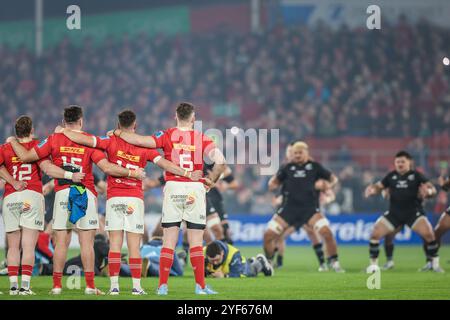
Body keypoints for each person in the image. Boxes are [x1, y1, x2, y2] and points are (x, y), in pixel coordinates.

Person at [58, 109, 204, 295]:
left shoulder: (109, 140)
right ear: (135, 125)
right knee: (134, 245)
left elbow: (86, 140)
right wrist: (187, 173)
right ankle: (136, 287)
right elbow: (165, 164)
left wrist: (63, 131)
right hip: (134, 198)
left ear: (118, 125)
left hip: (114, 198)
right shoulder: (145, 148)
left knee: (115, 245)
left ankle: (114, 287)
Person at [7, 105, 146, 295]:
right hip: (84, 192)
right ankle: (90, 286)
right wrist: (132, 172)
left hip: (63, 192)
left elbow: (25, 156)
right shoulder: (88, 142)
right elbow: (107, 168)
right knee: (86, 243)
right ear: (81, 121)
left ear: (64, 122)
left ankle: (56, 286)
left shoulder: (53, 139)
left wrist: (12, 141)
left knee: (61, 242)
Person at [111, 102, 226, 295]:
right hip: (194, 188)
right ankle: (200, 286)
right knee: (196, 241)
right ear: (193, 118)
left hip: (173, 187)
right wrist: (211, 180)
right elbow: (221, 161)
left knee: (169, 240)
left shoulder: (166, 135)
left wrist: (118, 133)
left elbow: (140, 141)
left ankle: (162, 286)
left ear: (176, 116)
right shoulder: (201, 138)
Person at [1, 116, 85, 295]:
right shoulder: (38, 146)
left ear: (15, 132)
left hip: (10, 197)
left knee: (13, 246)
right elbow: (47, 168)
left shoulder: (6, 147)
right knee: (29, 246)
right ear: (32, 130)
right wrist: (69, 175)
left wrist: (13, 182)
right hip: (32, 195)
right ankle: (25, 286)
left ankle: (13, 286)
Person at [263, 141, 345, 272]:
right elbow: (273, 183)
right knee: (268, 235)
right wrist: (272, 184)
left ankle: (334, 262)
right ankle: (269, 262)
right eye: (295, 153)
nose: (297, 155)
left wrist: (328, 186)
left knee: (327, 233)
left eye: (300, 152)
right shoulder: (286, 168)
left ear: (306, 153)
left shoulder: (315, 167)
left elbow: (333, 179)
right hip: (288, 210)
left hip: (310, 210)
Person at [364, 151, 443, 273]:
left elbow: (431, 189)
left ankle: (435, 264)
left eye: (402, 161)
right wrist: (372, 190)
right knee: (375, 234)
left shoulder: (416, 175)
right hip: (394, 213)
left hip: (413, 212)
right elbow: (379, 186)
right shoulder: (390, 176)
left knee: (429, 234)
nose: (400, 164)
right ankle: (374, 266)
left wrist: (429, 192)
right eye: (397, 162)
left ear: (409, 162)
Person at [204, 240, 273, 278]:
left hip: (241, 267)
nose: (215, 263)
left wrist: (224, 276)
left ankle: (260, 261)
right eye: (212, 261)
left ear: (222, 253)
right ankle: (251, 260)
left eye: (217, 260)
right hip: (231, 265)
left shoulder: (233, 254)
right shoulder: (202, 253)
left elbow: (239, 274)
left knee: (250, 272)